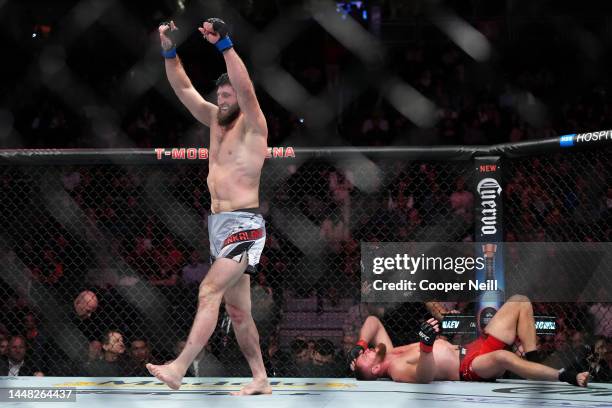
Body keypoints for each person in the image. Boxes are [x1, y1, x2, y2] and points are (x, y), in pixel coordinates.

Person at [146, 17, 270, 395]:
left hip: (245, 225)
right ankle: (261, 379)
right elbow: (183, 87)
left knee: (208, 291)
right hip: (219, 224)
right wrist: (169, 49)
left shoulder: (254, 124)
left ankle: (179, 368)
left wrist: (225, 45)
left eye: (230, 93)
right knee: (238, 312)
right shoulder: (215, 120)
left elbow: (246, 89)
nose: (224, 98)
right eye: (222, 94)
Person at [349, 295, 589, 387]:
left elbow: (372, 322)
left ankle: (534, 363)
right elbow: (424, 378)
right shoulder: (396, 368)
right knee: (505, 357)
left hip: (473, 348)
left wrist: (357, 348)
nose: (367, 351)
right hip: (470, 367)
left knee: (520, 301)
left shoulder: (388, 352)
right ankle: (563, 376)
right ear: (377, 369)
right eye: (365, 357)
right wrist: (425, 347)